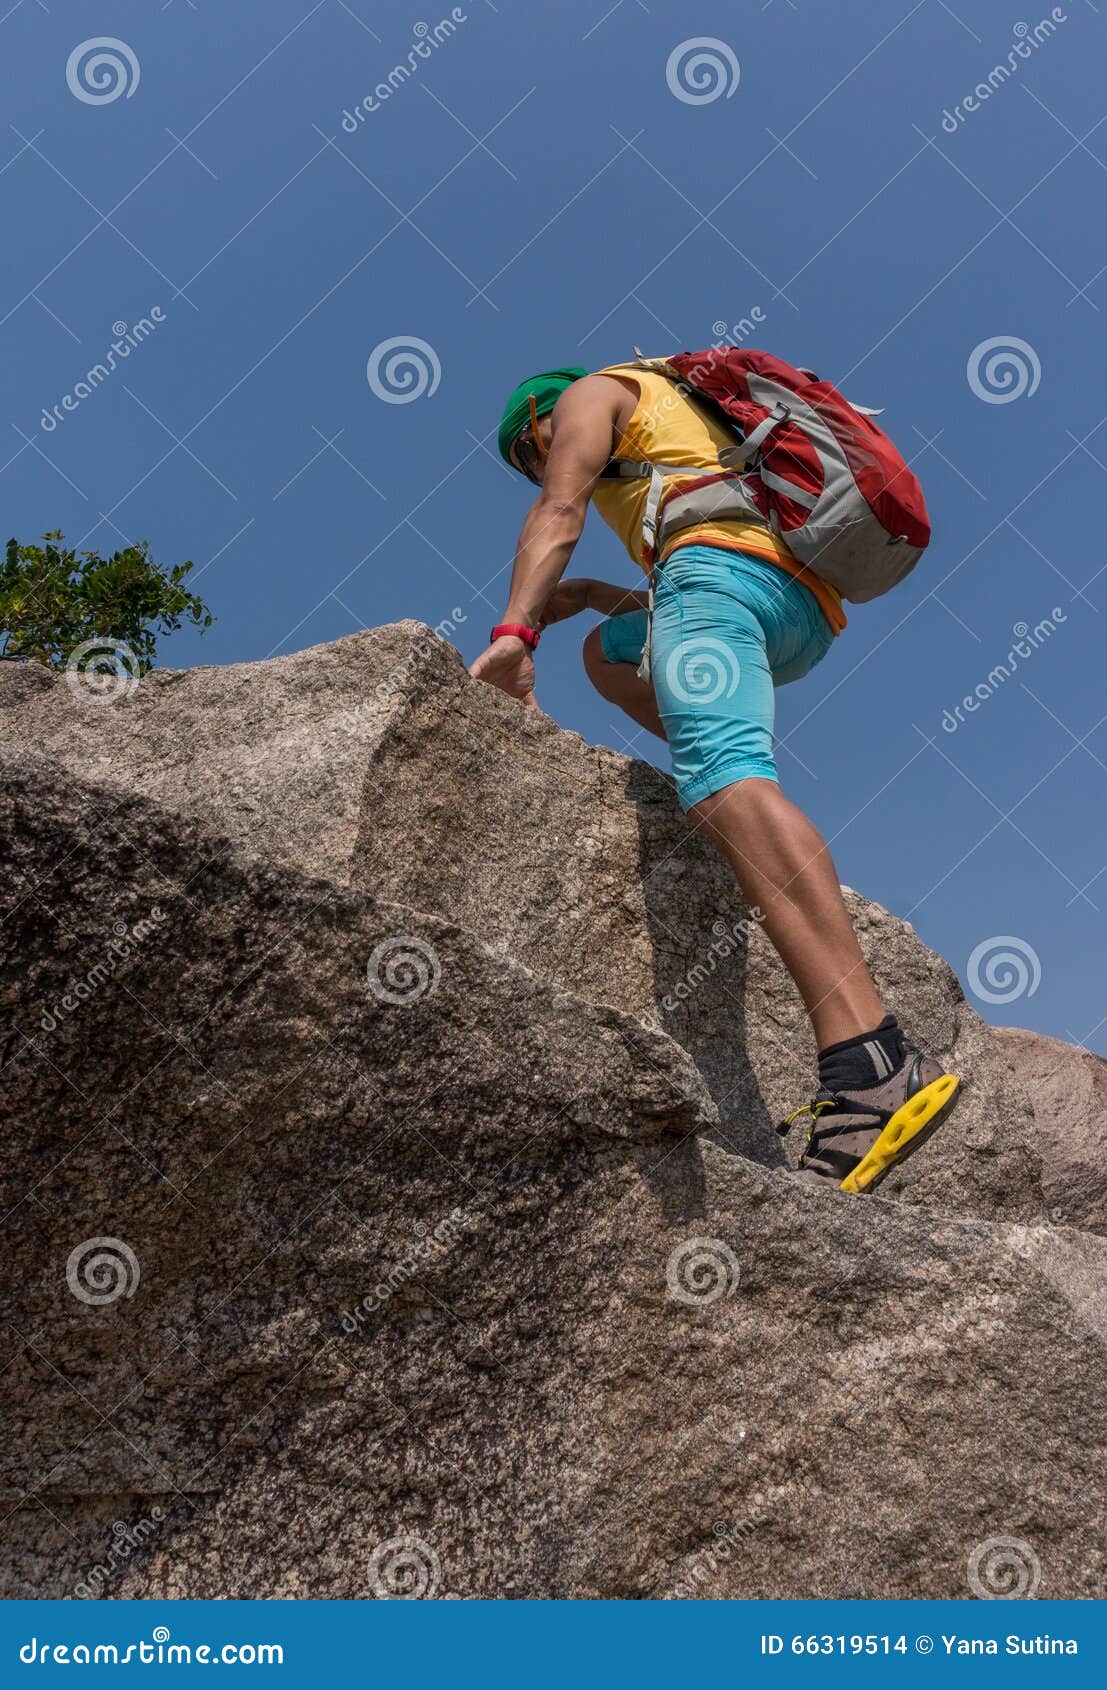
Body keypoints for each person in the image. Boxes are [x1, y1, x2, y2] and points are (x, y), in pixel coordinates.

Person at [469, 360, 961, 1193]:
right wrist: (592, 594)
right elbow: (702, 573)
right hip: (797, 613)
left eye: (529, 447)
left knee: (725, 777)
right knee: (608, 655)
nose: (535, 463)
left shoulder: (592, 392)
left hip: (720, 576)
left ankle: (871, 1065)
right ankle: (732, 800)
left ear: (544, 415)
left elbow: (559, 511)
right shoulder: (678, 418)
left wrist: (515, 633)